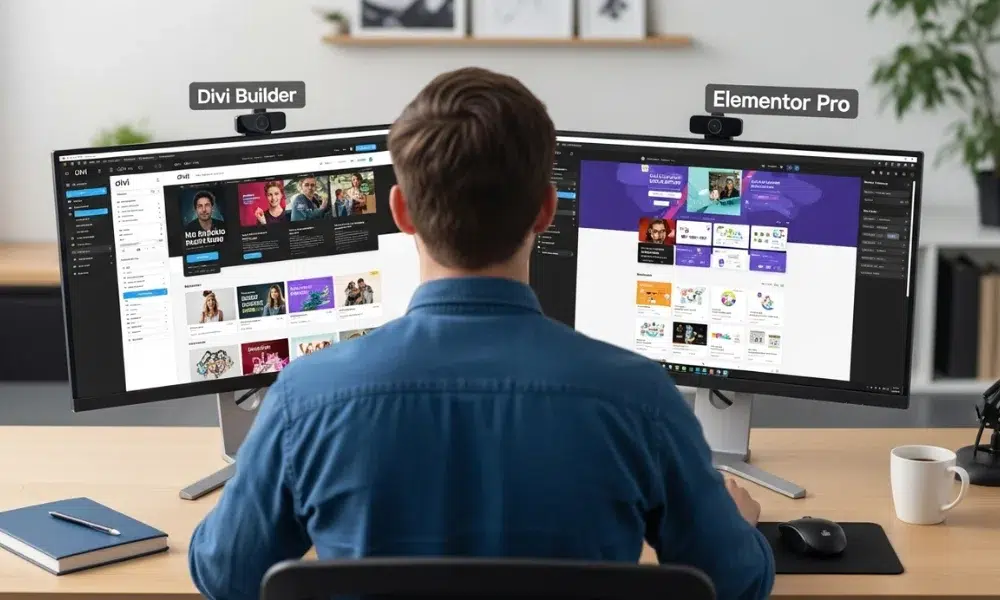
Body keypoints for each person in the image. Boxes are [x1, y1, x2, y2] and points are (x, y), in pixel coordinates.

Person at [188, 67, 774, 600]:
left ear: (401, 211)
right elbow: (735, 584)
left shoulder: (305, 398)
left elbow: (228, 577)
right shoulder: (641, 397)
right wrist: (736, 521)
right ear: (546, 210)